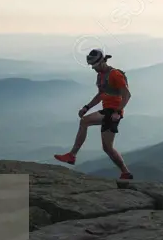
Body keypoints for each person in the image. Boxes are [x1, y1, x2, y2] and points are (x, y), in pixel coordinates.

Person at [55, 48, 134, 181]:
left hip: (112, 112)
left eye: (94, 65)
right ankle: (125, 172)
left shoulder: (115, 74)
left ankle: (72, 155)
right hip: (108, 110)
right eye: (91, 65)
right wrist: (87, 107)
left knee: (85, 122)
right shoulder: (101, 76)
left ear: (102, 61)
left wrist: (118, 112)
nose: (93, 68)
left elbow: (127, 95)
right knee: (107, 148)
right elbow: (101, 95)